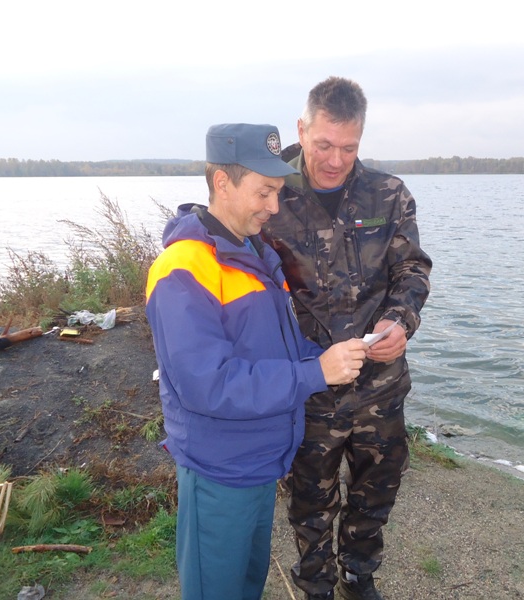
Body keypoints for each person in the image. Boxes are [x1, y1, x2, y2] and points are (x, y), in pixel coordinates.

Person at [145, 123, 369, 600]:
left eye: (278, 192)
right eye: (264, 192)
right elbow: (207, 384)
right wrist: (316, 372)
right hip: (220, 469)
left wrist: (338, 354)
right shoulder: (183, 268)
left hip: (264, 462)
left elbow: (279, 347)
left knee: (247, 586)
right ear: (222, 182)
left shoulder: (255, 251)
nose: (274, 206)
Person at [261, 78, 432, 600]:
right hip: (308, 386)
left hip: (379, 387)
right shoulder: (269, 194)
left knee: (376, 490)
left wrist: (400, 321)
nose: (336, 160)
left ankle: (359, 574)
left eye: (350, 147)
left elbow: (412, 269)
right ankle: (315, 584)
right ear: (302, 130)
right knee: (310, 499)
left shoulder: (389, 193)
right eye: (324, 146)